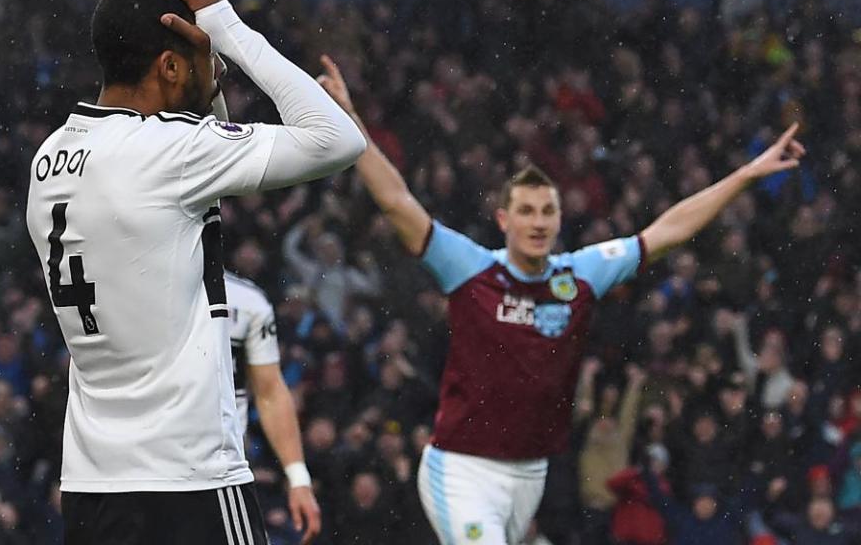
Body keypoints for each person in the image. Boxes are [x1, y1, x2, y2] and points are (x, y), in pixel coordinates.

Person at [316, 55, 804, 544]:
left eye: (547, 211)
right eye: (525, 211)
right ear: (505, 221)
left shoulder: (581, 274)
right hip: (461, 470)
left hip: (530, 475)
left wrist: (745, 175)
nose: (538, 221)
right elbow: (398, 201)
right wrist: (352, 121)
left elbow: (667, 231)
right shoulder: (469, 267)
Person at [24, 0, 364, 544]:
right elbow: (338, 139)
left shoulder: (49, 158)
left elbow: (200, 168)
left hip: (93, 483)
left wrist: (205, 76)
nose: (214, 72)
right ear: (170, 67)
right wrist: (228, 29)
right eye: (200, 61)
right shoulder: (171, 152)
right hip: (190, 480)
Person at [224, 270, 321, 543]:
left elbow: (270, 392)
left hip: (221, 469)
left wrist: (298, 477)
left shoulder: (247, 301)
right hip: (139, 468)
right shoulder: (132, 292)